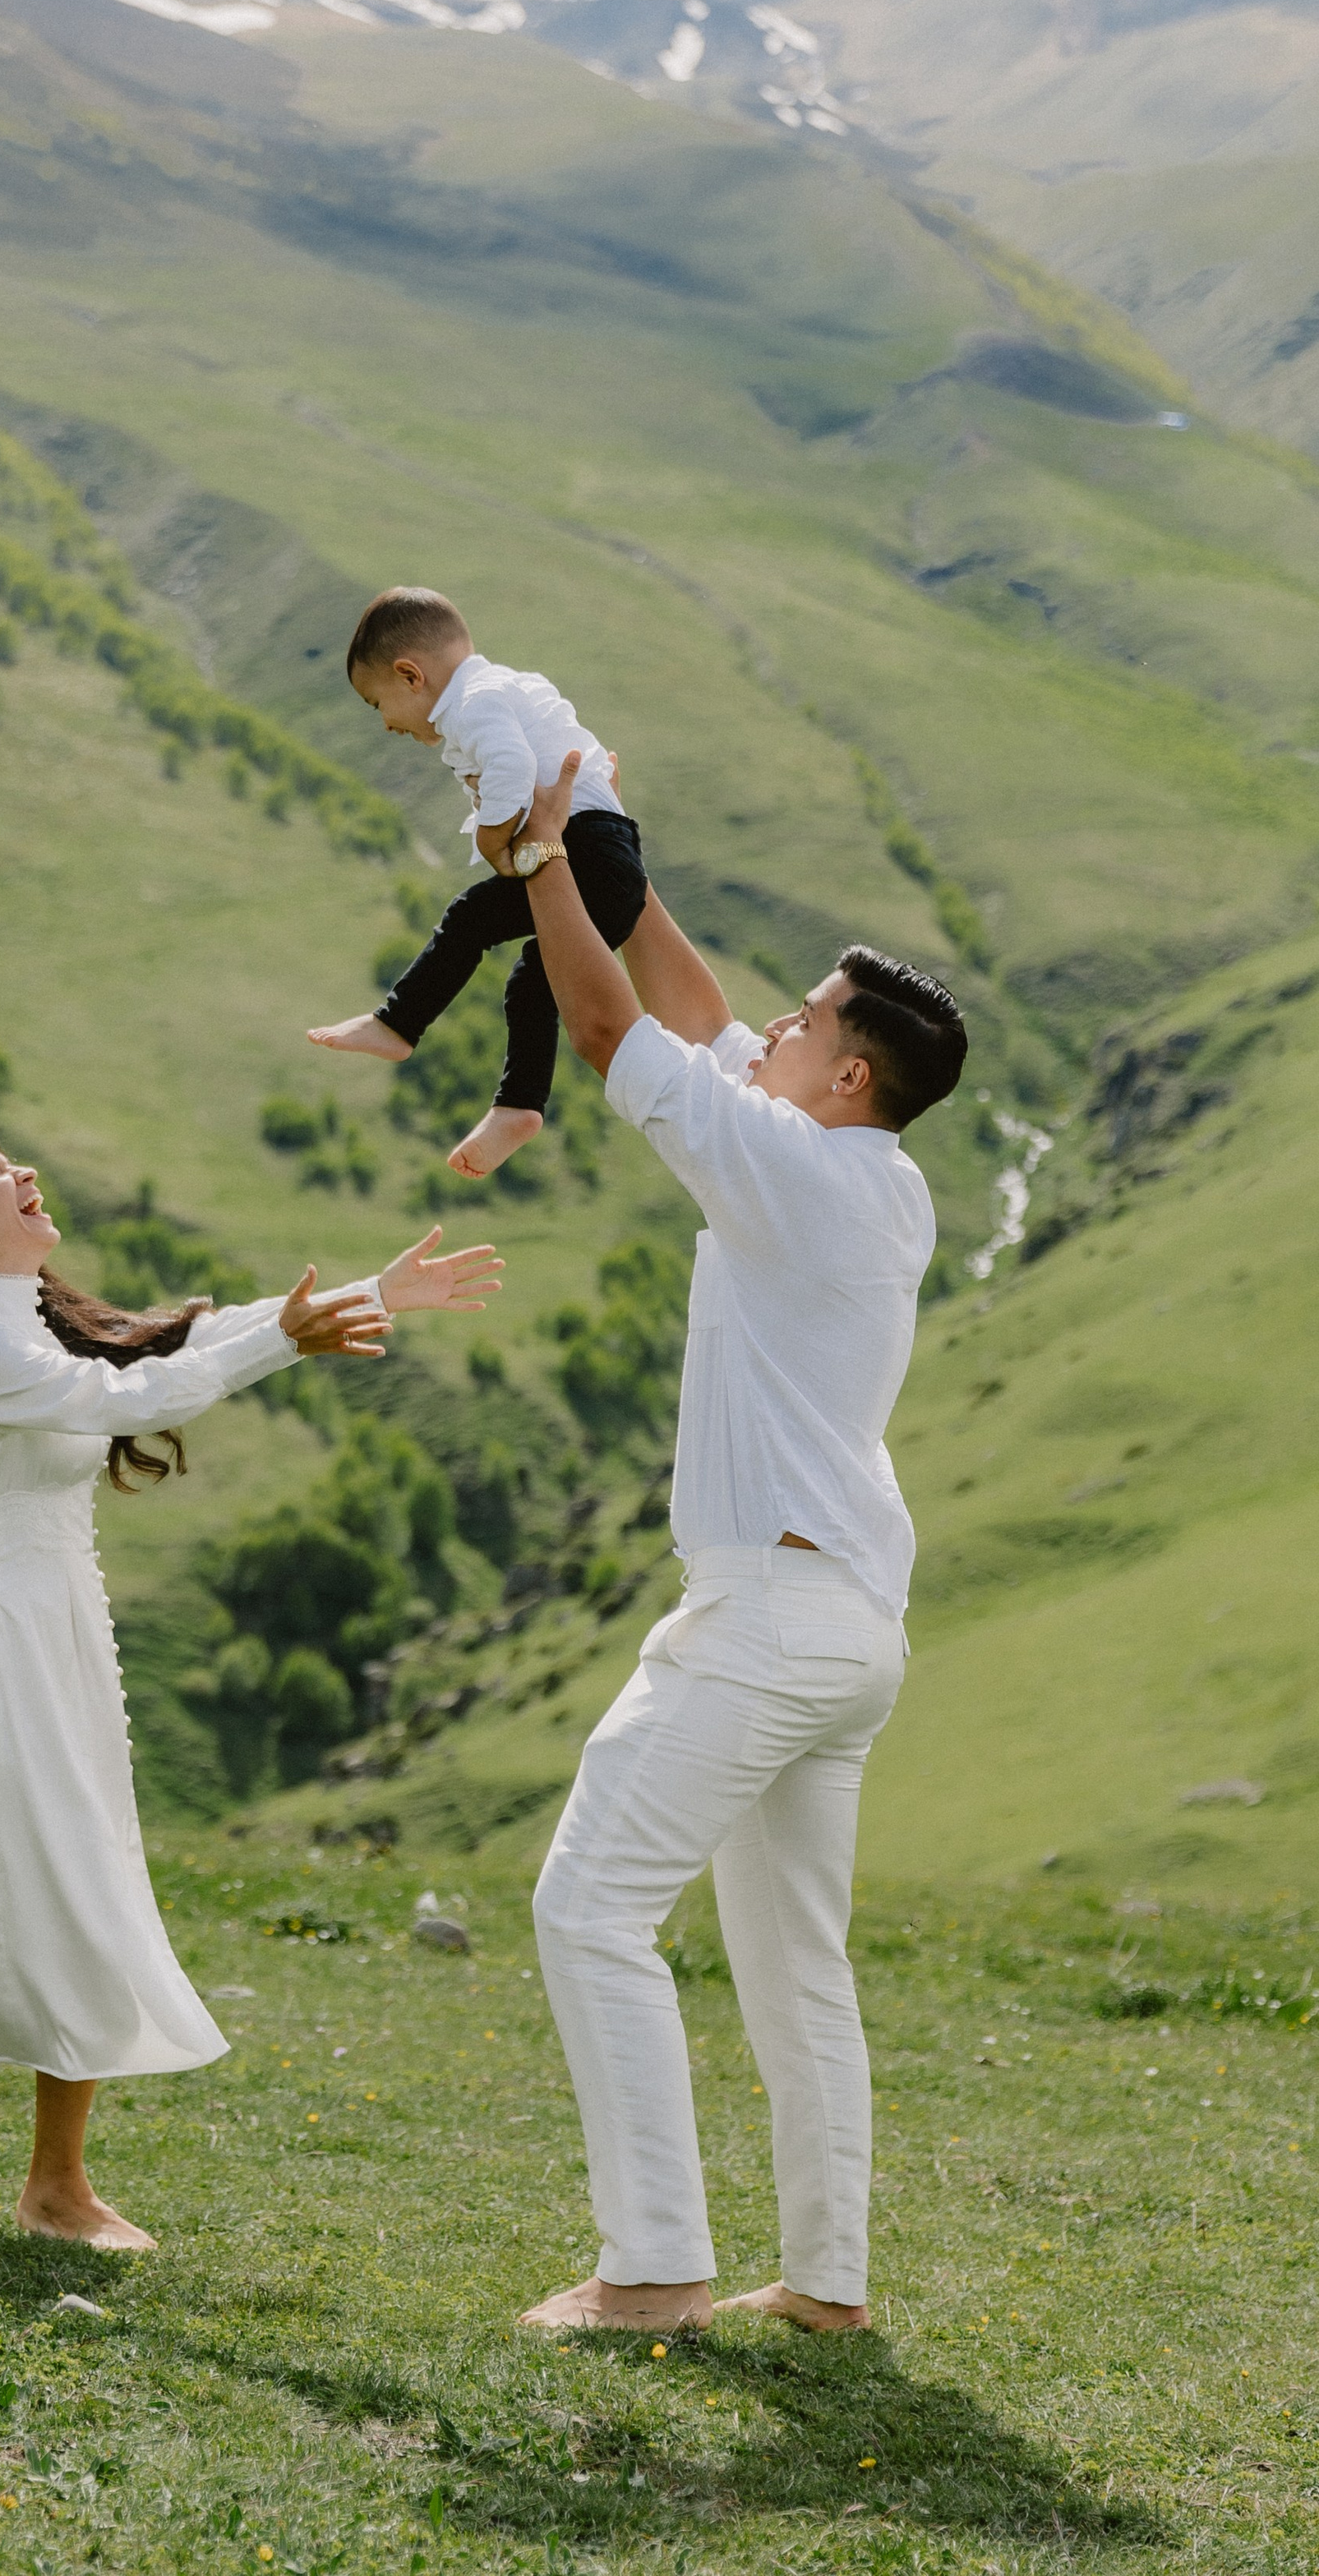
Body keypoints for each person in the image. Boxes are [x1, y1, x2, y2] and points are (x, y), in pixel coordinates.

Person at [0, 1128, 503, 2247]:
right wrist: (286, 1342)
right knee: (61, 1894)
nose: (27, 1176)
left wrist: (365, 1293)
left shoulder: (22, 1322)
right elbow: (133, 1397)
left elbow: (165, 1345)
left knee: (46, 1894)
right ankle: (47, 2188)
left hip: (49, 1639)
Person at [498, 754, 965, 2339]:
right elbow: (698, 1015)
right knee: (796, 1975)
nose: (775, 1024)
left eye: (807, 1023)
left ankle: (654, 2269)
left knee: (589, 1907)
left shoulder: (779, 1163)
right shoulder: (876, 1174)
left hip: (769, 1614)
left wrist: (548, 870)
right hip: (850, 1633)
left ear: (845, 1076)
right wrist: (614, 851)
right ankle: (824, 2288)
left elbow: (620, 1030)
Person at [306, 587, 645, 1178]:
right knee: (533, 983)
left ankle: (398, 1022)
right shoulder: (498, 690)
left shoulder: (475, 703)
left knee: (470, 919)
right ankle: (519, 1107)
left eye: (376, 703)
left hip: (590, 852)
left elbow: (513, 768)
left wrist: (494, 843)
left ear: (411, 675)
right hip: (611, 864)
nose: (385, 723)